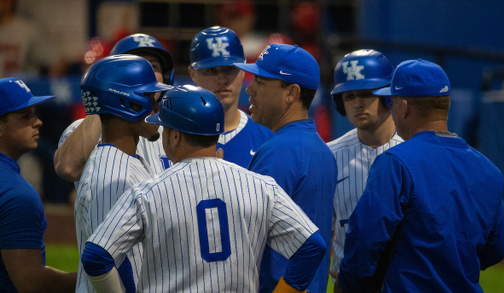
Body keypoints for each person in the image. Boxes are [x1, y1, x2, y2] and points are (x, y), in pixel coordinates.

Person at [80, 85, 327, 293]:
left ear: (175, 136)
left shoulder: (147, 193)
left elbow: (95, 256)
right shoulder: (261, 187)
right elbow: (312, 246)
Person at [337, 59, 504, 293]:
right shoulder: (490, 171)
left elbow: (364, 240)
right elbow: (498, 248)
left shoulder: (395, 163)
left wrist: (349, 286)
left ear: (405, 107)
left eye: (392, 101)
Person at [232, 43, 337, 293]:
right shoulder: (321, 149)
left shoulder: (279, 151)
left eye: (261, 81)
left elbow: (247, 238)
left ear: (291, 93)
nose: (250, 88)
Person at [74, 54, 173, 293]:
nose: (157, 107)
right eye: (151, 98)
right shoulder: (113, 175)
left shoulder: (124, 160)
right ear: (127, 102)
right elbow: (113, 262)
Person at [54, 33, 175, 182]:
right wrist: (106, 100)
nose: (147, 74)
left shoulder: (177, 131)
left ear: (166, 77)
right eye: (136, 66)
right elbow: (68, 169)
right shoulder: (81, 129)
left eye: (154, 66)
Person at [327, 49, 403, 280]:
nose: (357, 103)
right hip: (348, 283)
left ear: (388, 95)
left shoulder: (414, 152)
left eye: (366, 93)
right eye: (349, 96)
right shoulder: (329, 155)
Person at [0, 77, 77, 292]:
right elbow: (32, 283)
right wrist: (95, 281)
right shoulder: (17, 195)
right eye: (26, 116)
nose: (38, 121)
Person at [188, 26, 272, 167]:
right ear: (193, 74)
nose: (222, 79)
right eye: (211, 70)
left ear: (244, 70)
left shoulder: (267, 137)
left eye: (230, 69)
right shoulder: (173, 137)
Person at [0, 0, 55, 77]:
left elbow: (56, 62)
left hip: (19, 89)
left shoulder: (27, 31)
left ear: (10, 1)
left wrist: (46, 87)